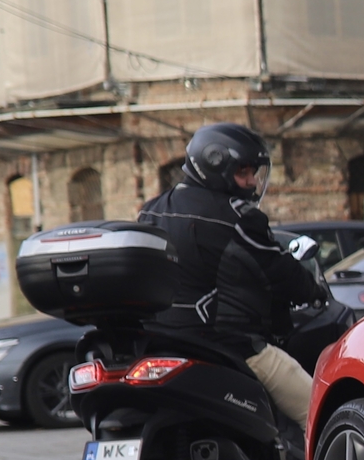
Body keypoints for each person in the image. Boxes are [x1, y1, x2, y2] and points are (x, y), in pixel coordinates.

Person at [140, 124, 327, 422]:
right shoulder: (237, 218)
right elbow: (277, 270)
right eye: (244, 172)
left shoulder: (151, 210)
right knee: (318, 413)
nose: (252, 181)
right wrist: (312, 289)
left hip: (156, 342)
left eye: (254, 172)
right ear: (215, 166)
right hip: (224, 345)